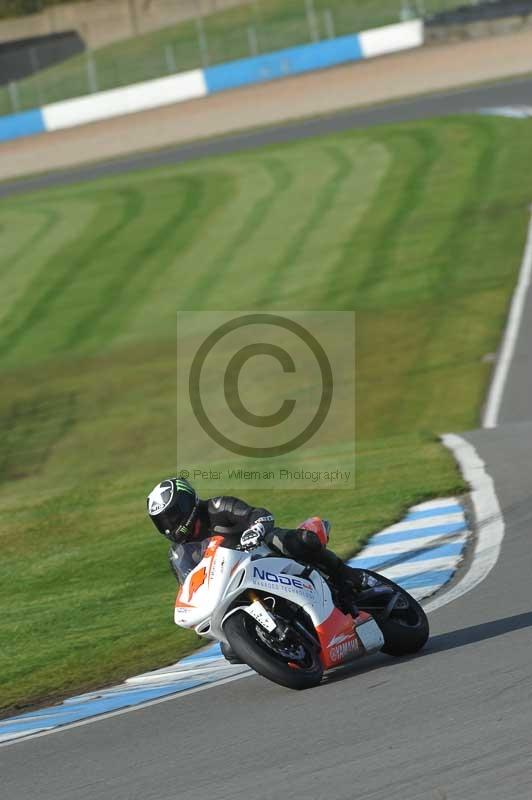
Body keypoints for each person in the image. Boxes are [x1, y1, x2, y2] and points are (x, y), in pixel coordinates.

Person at [147, 477, 370, 663]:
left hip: (264, 555)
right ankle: (284, 650)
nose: (169, 524)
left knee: (301, 542)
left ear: (188, 505)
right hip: (235, 586)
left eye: (173, 515)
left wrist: (255, 530)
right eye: (162, 521)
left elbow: (260, 514)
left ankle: (351, 579)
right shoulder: (178, 554)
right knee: (230, 651)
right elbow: (190, 585)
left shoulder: (218, 507)